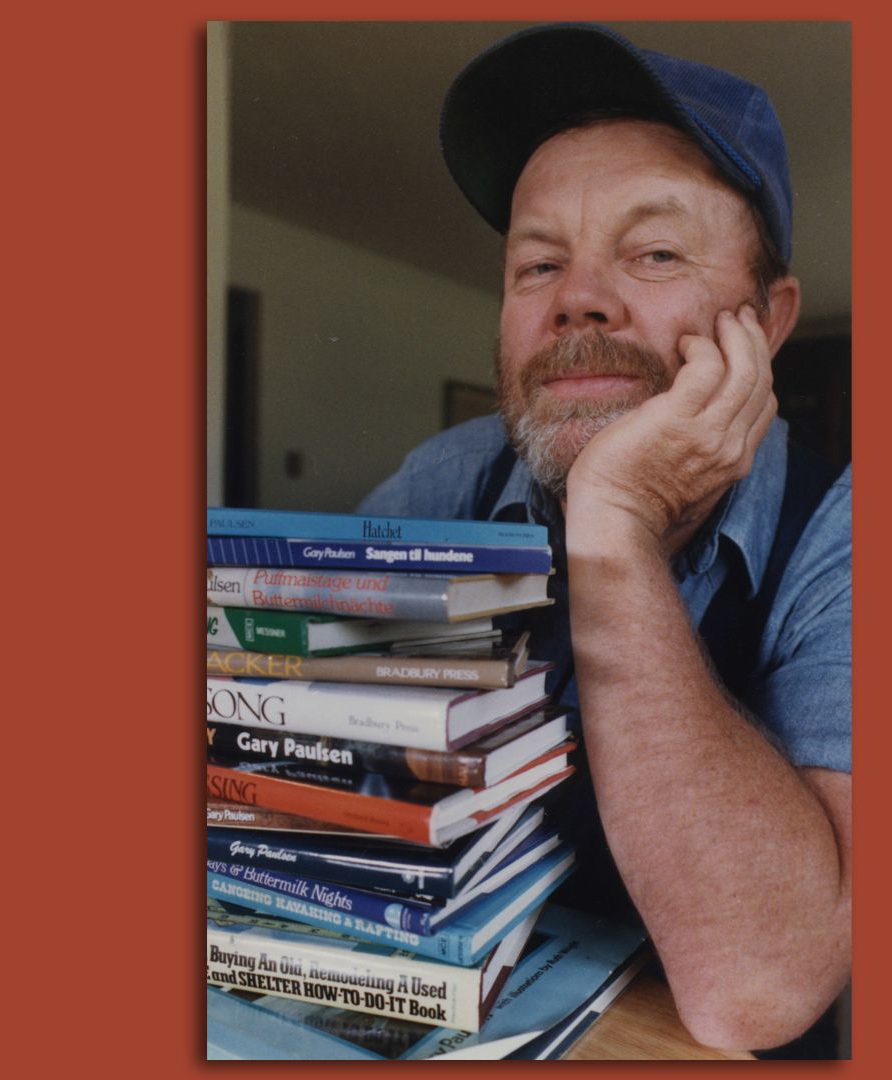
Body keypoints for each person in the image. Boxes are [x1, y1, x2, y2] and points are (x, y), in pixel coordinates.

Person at [357, 24, 850, 1055]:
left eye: (655, 252)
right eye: (539, 263)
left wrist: (614, 530)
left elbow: (755, 988)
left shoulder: (847, 535)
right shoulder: (442, 483)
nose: (578, 296)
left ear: (765, 322)